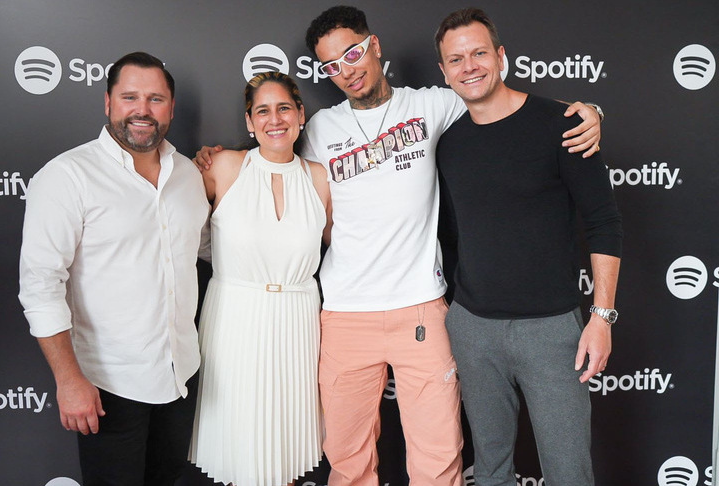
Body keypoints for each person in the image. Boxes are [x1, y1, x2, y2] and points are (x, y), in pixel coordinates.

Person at [196, 6, 602, 485]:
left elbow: (502, 103)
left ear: (374, 45)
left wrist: (583, 113)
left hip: (421, 311)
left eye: (352, 52)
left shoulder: (436, 104)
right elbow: (272, 159)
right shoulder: (320, 129)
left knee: (438, 460)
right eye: (332, 64)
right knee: (348, 462)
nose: (346, 69)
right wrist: (215, 156)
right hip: (344, 314)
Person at [434, 8, 622, 486]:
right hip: (473, 330)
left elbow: (604, 223)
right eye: (456, 60)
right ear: (444, 71)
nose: (469, 66)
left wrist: (601, 318)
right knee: (490, 469)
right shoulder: (449, 144)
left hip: (552, 332)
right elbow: (451, 235)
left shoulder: (564, 123)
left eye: (479, 53)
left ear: (501, 57)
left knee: (568, 470)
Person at [18, 52, 209, 486]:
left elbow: (208, 247)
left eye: (156, 99)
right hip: (107, 385)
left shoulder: (188, 174)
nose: (142, 110)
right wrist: (68, 380)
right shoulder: (68, 175)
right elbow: (41, 285)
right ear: (108, 103)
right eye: (130, 97)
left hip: (180, 376)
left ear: (171, 108)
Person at [188, 71, 331, 486]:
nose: (275, 119)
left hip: (299, 322)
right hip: (235, 317)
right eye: (262, 111)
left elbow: (343, 247)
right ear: (249, 122)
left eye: (284, 107)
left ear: (300, 114)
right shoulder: (224, 167)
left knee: (284, 444)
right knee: (240, 443)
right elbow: (185, 233)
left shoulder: (320, 178)